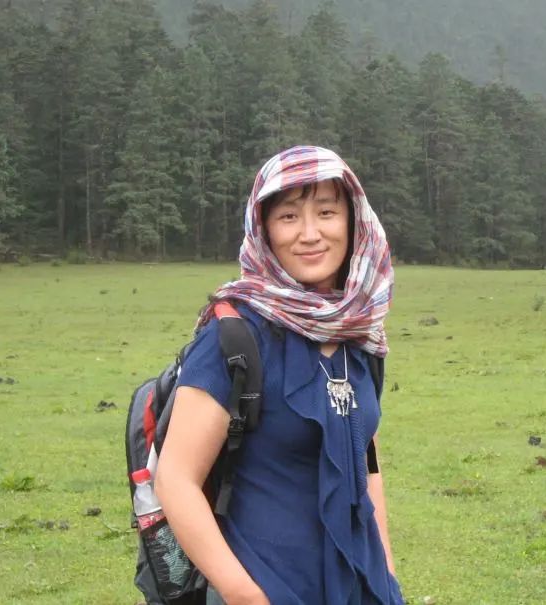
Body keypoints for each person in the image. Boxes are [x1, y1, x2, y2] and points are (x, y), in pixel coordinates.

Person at [155, 146, 403, 605]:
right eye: (289, 217)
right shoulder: (234, 338)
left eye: (326, 212)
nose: (310, 234)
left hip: (359, 587)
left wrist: (385, 574)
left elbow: (366, 462)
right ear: (264, 229)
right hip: (268, 587)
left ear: (353, 221)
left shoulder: (359, 333)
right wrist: (245, 595)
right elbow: (175, 479)